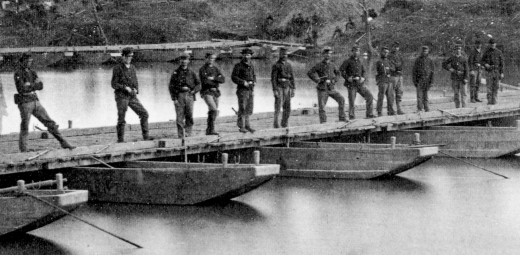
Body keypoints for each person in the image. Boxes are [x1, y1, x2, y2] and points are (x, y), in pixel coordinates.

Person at [14, 53, 75, 152]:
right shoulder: (18, 73)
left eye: (30, 61)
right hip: (25, 102)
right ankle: (23, 149)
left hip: (35, 101)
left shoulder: (32, 72)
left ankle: (64, 142)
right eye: (27, 61)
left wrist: (30, 85)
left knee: (49, 122)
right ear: (22, 62)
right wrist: (34, 85)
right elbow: (21, 89)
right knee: (25, 125)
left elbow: (41, 86)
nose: (29, 63)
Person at [111, 47, 152, 143]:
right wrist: (125, 88)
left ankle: (146, 136)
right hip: (121, 96)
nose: (130, 58)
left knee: (144, 114)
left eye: (131, 56)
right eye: (128, 56)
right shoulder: (117, 68)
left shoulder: (133, 67)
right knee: (121, 118)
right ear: (123, 56)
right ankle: (120, 140)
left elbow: (135, 81)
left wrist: (135, 89)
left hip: (132, 96)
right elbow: (114, 84)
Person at [308, 48, 346, 123]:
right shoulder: (319, 65)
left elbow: (338, 73)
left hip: (331, 88)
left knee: (341, 99)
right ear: (323, 55)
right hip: (322, 89)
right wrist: (317, 79)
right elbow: (310, 73)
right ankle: (323, 122)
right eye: (326, 54)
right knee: (322, 107)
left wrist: (334, 80)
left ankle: (342, 118)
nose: (328, 55)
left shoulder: (332, 64)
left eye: (329, 54)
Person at [169, 54, 201, 138]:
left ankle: (188, 133)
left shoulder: (192, 72)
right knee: (179, 116)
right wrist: (174, 98)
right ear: (180, 61)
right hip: (179, 95)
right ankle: (181, 135)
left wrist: (194, 91)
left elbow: (199, 84)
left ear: (188, 61)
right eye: (182, 60)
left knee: (189, 115)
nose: (184, 62)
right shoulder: (176, 73)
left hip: (190, 95)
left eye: (186, 60)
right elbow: (171, 87)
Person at [339, 46, 374, 119]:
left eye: (357, 51)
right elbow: (341, 70)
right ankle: (352, 116)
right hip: (351, 85)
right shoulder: (347, 61)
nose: (356, 52)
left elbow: (364, 71)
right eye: (354, 51)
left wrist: (363, 78)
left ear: (359, 52)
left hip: (360, 84)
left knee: (370, 96)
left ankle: (369, 114)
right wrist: (348, 78)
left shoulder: (360, 61)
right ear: (352, 52)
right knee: (352, 101)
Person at [231, 48, 257, 133]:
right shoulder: (238, 66)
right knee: (242, 108)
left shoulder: (251, 65)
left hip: (250, 89)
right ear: (242, 55)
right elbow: (234, 77)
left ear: (251, 56)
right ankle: (241, 126)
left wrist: (254, 82)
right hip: (242, 90)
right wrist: (243, 82)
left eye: (248, 55)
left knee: (249, 108)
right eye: (245, 55)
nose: (246, 56)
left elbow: (254, 75)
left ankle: (247, 125)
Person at [199, 53, 225, 136]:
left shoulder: (215, 69)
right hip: (207, 91)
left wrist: (213, 78)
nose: (211, 60)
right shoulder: (203, 69)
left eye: (213, 59)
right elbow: (205, 81)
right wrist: (216, 80)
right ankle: (211, 129)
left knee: (212, 111)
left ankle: (209, 130)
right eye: (210, 58)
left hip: (216, 92)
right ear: (206, 59)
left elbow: (223, 79)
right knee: (214, 109)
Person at [271, 47, 295, 128]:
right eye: (283, 54)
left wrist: (293, 88)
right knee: (278, 106)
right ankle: (276, 124)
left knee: (287, 107)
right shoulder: (276, 65)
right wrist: (275, 90)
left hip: (287, 87)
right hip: (279, 87)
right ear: (280, 55)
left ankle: (284, 123)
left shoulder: (289, 65)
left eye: (286, 54)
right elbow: (273, 79)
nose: (284, 56)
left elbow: (292, 78)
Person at [442, 44, 469, 108]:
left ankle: (464, 108)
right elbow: (444, 64)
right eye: (456, 49)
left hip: (462, 78)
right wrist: (450, 69)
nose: (458, 50)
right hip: (455, 78)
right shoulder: (452, 58)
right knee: (456, 94)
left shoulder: (464, 58)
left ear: (461, 50)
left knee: (464, 94)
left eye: (459, 49)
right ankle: (457, 108)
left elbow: (467, 69)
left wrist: (466, 78)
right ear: (454, 50)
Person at [481, 38, 504, 105]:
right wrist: (485, 64)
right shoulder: (486, 52)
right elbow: (482, 61)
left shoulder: (499, 52)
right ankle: (489, 102)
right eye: (491, 44)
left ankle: (495, 102)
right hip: (489, 72)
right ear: (489, 44)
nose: (492, 45)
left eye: (493, 44)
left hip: (497, 72)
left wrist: (502, 73)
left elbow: (502, 64)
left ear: (495, 44)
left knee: (496, 88)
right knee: (489, 88)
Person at [412, 46, 434, 112]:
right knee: (419, 96)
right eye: (423, 51)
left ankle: (427, 108)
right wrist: (415, 81)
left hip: (427, 80)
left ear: (428, 52)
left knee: (426, 96)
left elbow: (432, 72)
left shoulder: (430, 60)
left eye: (426, 51)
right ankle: (419, 108)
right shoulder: (418, 60)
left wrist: (431, 81)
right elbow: (414, 71)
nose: (424, 52)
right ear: (421, 51)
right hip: (420, 80)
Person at [375, 46, 395, 116]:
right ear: (381, 52)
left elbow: (393, 69)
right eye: (384, 52)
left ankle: (390, 111)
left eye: (387, 52)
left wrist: (388, 69)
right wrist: (387, 69)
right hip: (382, 81)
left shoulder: (389, 61)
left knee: (390, 97)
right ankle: (379, 111)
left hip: (389, 81)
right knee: (381, 97)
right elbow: (380, 70)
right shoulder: (379, 61)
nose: (386, 54)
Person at [388, 42, 405, 114]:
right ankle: (391, 110)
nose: (396, 48)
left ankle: (399, 109)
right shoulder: (389, 56)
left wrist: (399, 68)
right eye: (394, 47)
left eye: (397, 47)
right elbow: (391, 66)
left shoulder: (400, 55)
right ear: (392, 47)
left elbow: (402, 64)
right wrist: (397, 68)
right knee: (391, 94)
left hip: (399, 76)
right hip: (393, 76)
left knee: (399, 93)